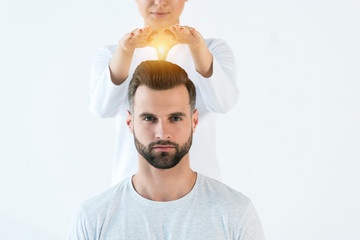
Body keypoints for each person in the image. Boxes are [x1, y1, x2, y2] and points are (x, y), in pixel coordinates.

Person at [70, 61, 264, 239]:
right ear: (129, 122)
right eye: (149, 119)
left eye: (175, 118)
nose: (162, 133)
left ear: (194, 121)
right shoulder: (93, 218)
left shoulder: (235, 213)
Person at [88, 0, 238, 185]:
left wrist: (197, 47)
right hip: (132, 185)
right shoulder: (113, 54)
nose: (159, 2)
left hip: (199, 186)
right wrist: (126, 51)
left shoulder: (212, 49)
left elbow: (223, 102)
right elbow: (102, 108)